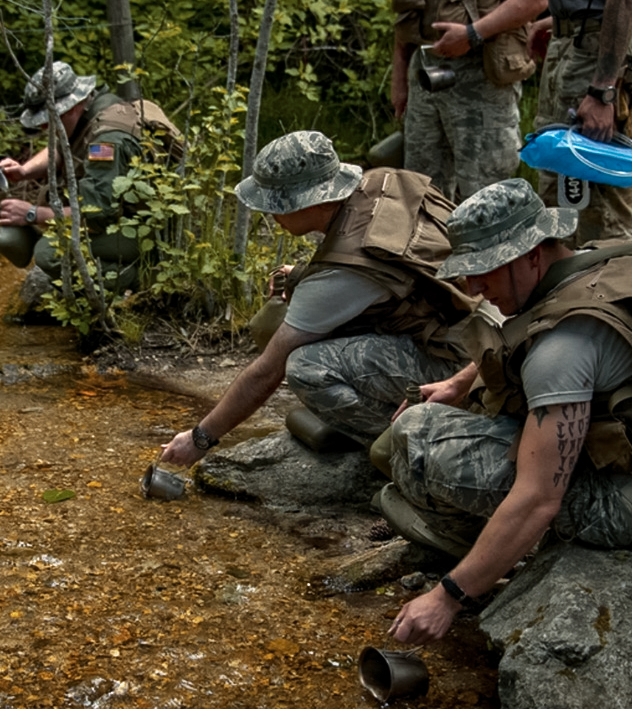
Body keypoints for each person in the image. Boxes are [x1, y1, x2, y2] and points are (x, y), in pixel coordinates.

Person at [378, 178, 632, 644]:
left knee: (417, 436)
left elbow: (539, 499)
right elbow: (534, 329)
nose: (474, 287)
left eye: (485, 271)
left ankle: (473, 547)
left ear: (531, 254)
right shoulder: (606, 262)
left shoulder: (561, 350)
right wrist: (459, 383)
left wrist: (449, 596)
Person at [159, 130, 477, 468]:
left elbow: (266, 373)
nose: (271, 215)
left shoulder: (343, 275)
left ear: (309, 200)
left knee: (306, 367)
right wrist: (303, 276)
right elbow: (395, 273)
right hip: (476, 332)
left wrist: (200, 438)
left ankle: (407, 450)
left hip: (458, 366)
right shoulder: (384, 182)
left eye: (276, 204)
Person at [390, 0, 549, 201]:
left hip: (483, 75)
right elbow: (408, 4)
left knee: (487, 196)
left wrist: (473, 34)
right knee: (421, 193)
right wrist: (400, 73)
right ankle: (434, 243)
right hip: (424, 73)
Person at [531, 0, 632, 245]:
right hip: (574, 46)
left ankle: (615, 289)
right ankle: (568, 290)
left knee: (604, 202)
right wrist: (561, 22)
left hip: (600, 61)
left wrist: (604, 89)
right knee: (559, 195)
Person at [0, 61, 147, 292]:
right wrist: (25, 171)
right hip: (133, 218)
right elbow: (64, 147)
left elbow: (96, 215)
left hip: (152, 230)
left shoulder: (106, 143)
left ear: (72, 106)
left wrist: (33, 214)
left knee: (50, 253)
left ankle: (144, 278)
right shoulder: (95, 107)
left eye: (49, 120)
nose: (45, 127)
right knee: (56, 218)